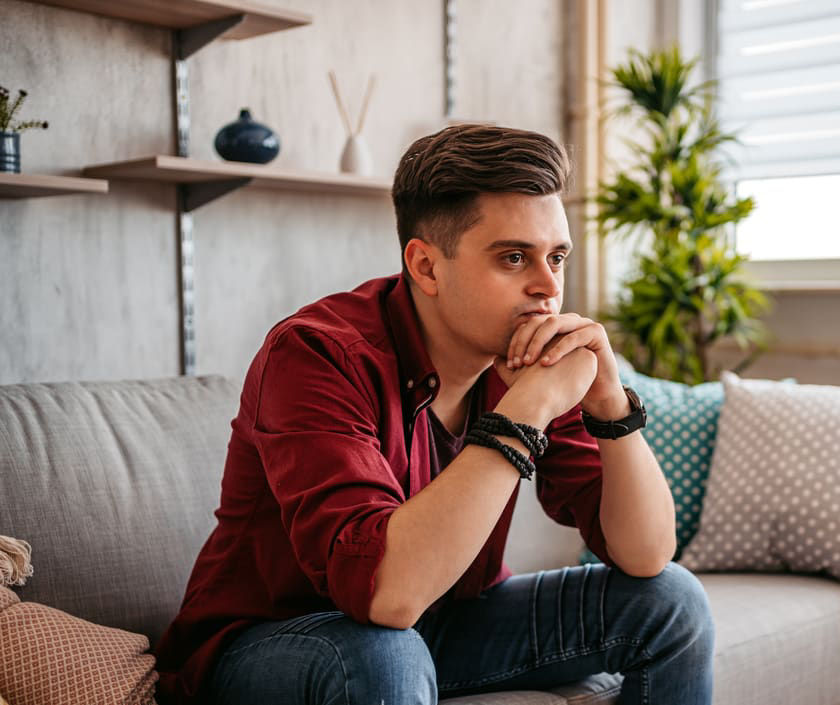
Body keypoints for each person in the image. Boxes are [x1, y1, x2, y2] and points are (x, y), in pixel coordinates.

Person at [152, 123, 715, 705]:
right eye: (514, 257)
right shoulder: (317, 354)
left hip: (440, 621)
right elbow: (387, 595)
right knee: (383, 653)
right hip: (276, 644)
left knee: (671, 602)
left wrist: (609, 405)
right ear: (425, 267)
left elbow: (646, 554)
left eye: (557, 257)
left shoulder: (525, 354)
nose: (548, 287)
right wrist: (527, 410)